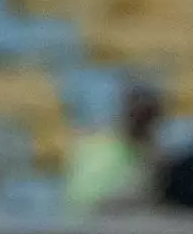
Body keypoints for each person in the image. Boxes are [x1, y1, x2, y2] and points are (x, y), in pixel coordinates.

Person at [64, 82, 163, 214]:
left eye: (147, 115)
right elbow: (84, 197)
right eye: (138, 114)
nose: (141, 120)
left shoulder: (155, 157)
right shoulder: (97, 146)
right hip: (96, 221)